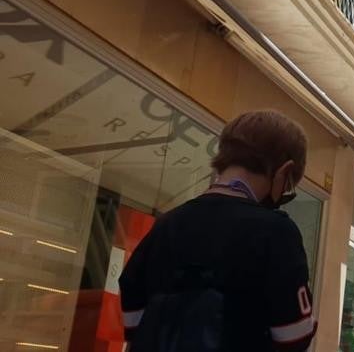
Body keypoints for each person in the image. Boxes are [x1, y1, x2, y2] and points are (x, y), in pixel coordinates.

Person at [119, 110, 317, 351]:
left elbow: (132, 319)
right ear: (284, 171)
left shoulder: (168, 224)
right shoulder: (277, 232)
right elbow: (293, 336)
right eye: (287, 188)